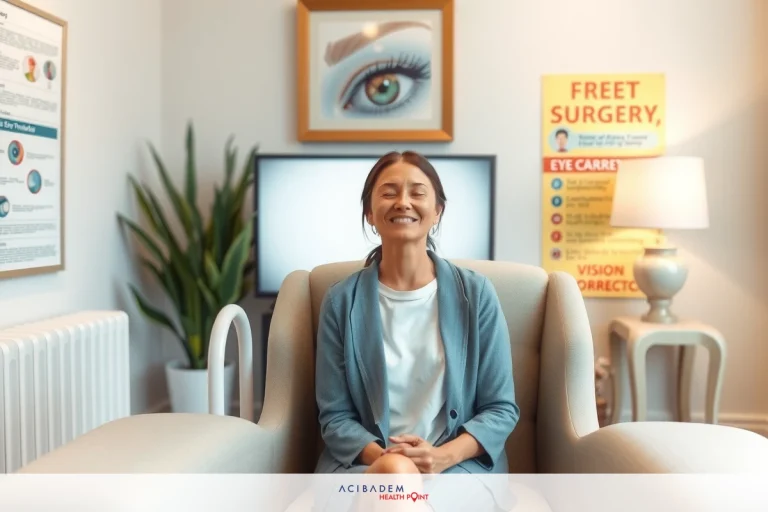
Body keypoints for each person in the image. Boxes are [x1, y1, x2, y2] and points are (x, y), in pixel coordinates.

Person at [314, 150, 520, 488]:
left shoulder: (477, 294)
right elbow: (335, 417)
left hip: (456, 467)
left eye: (417, 193)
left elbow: (500, 409)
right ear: (369, 212)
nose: (403, 202)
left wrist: (441, 457)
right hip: (365, 468)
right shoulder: (340, 302)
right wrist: (390, 462)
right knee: (396, 482)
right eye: (389, 192)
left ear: (437, 210)